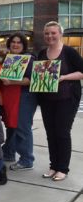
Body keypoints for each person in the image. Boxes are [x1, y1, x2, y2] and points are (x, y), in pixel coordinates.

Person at [37, 21, 83, 181]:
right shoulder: (42, 53)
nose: (50, 36)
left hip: (66, 99)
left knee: (62, 133)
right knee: (50, 133)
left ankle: (63, 168)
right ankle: (53, 166)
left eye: (53, 33)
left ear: (60, 34)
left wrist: (63, 77)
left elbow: (81, 72)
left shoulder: (69, 52)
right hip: (47, 100)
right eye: (47, 33)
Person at [0, 33, 37, 170]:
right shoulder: (8, 59)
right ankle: (9, 153)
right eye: (13, 42)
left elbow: (30, 80)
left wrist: (11, 82)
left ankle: (27, 159)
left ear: (23, 45)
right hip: (10, 97)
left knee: (22, 127)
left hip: (24, 97)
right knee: (11, 126)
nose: (15, 44)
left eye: (19, 42)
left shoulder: (29, 59)